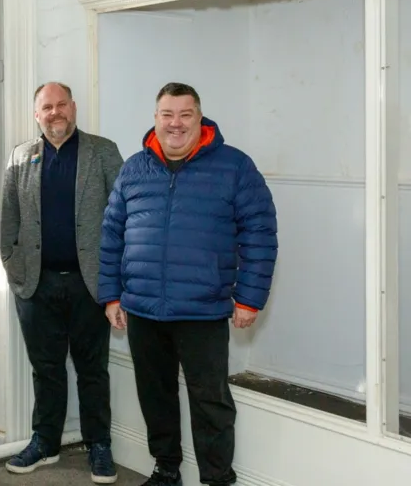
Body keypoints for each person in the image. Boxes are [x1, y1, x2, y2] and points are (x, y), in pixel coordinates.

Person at [98, 82, 278, 486]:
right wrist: (111, 294)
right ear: (156, 120)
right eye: (167, 115)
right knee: (155, 396)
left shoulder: (234, 167)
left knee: (209, 400)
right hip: (143, 307)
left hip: (203, 307)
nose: (175, 124)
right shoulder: (134, 167)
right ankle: (166, 469)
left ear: (200, 118)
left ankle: (217, 478)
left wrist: (249, 298)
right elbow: (111, 234)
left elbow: (260, 233)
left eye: (185, 115)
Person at [0, 82, 123, 483]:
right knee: (46, 368)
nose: (55, 113)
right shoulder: (21, 156)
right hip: (37, 285)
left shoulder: (102, 151)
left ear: (74, 107)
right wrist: (13, 266)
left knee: (93, 369)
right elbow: (9, 218)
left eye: (61, 105)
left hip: (92, 284)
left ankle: (98, 445)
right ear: (37, 114)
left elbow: (123, 216)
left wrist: (115, 281)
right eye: (46, 107)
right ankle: (46, 442)